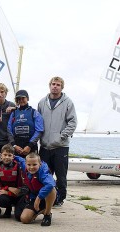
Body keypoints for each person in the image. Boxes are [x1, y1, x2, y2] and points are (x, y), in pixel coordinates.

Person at [37, 76, 77, 207]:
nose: (55, 86)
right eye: (53, 84)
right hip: (45, 146)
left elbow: (73, 122)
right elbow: (38, 121)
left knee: (61, 176)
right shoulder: (42, 102)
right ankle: (45, 197)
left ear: (62, 87)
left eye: (58, 85)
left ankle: (59, 199)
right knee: (44, 175)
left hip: (61, 146)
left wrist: (62, 136)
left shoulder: (68, 102)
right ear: (49, 86)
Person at [15, 153, 57, 226]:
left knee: (51, 189)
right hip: (33, 196)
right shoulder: (24, 164)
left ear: (40, 164)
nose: (31, 167)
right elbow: (20, 159)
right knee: (24, 219)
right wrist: (13, 157)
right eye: (29, 165)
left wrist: (39, 197)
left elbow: (50, 184)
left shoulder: (44, 171)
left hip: (45, 197)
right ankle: (41, 210)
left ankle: (47, 214)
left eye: (34, 165)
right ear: (26, 164)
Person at [0, 144, 27, 220]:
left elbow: (26, 188)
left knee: (18, 217)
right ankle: (8, 208)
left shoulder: (20, 167)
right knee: (1, 200)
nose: (7, 157)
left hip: (19, 195)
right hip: (6, 194)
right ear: (1, 155)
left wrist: (18, 191)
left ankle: (18, 207)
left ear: (13, 157)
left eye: (9, 155)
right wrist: (8, 190)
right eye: (5, 155)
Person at [7, 90, 44, 157]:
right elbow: (9, 130)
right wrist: (14, 145)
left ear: (27, 98)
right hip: (17, 147)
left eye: (23, 98)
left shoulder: (34, 112)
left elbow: (39, 130)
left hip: (30, 147)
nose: (21, 100)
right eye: (18, 99)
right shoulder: (13, 113)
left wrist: (29, 146)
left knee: (31, 167)